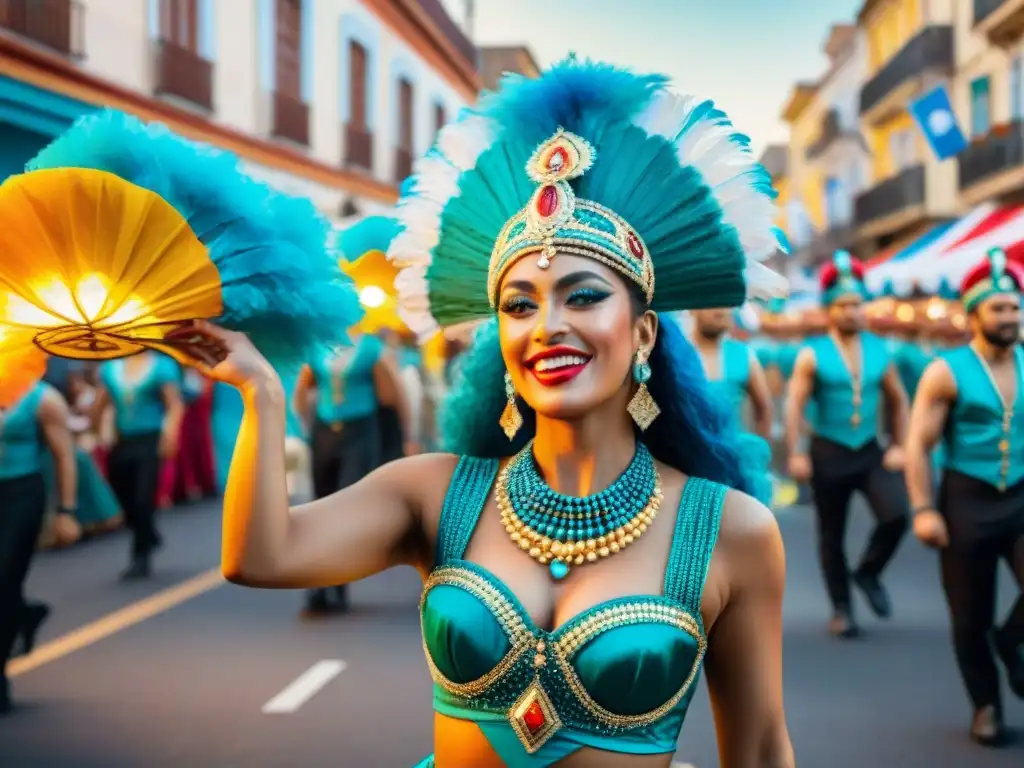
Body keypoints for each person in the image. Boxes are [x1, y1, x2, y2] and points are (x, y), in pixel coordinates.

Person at [175, 59, 794, 768]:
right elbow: (260, 556)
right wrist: (262, 393)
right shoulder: (436, 496)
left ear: (645, 332)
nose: (547, 326)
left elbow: (762, 746)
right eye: (519, 305)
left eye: (584, 296)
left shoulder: (730, 532)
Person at [905, 247, 1024, 746]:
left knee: (997, 621)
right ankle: (986, 707)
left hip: (1020, 496)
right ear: (973, 314)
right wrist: (924, 508)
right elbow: (918, 443)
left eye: (1015, 306)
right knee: (969, 615)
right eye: (998, 308)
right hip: (966, 502)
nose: (1010, 317)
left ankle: (1011, 638)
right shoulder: (945, 371)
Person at [785, 250, 910, 639]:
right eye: (844, 305)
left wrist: (899, 444)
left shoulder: (880, 350)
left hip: (870, 449)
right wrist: (797, 452)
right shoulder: (813, 353)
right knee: (832, 533)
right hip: (828, 451)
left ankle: (868, 572)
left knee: (896, 515)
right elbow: (794, 404)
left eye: (857, 304)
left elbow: (898, 399)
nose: (853, 311)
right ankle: (842, 608)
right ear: (829, 310)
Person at [292, 330, 413, 614]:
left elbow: (392, 395)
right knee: (321, 506)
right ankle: (322, 582)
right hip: (324, 433)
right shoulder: (318, 346)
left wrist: (406, 436)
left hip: (360, 433)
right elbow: (302, 389)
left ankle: (334, 584)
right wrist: (305, 425)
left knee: (345, 506)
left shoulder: (370, 348)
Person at [0, 382, 77, 714]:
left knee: (4, 577)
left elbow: (64, 455)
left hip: (22, 495)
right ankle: (25, 613)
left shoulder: (43, 398)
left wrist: (67, 512)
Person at [93, 352, 184, 580]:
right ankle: (149, 533)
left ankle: (140, 555)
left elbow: (174, 405)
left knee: (143, 497)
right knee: (122, 496)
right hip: (123, 440)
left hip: (150, 440)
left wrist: (170, 434)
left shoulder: (161, 366)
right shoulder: (111, 367)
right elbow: (101, 402)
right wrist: (96, 429)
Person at [689, 307, 774, 505]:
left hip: (736, 470)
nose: (720, 311)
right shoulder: (675, 355)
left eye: (726, 304)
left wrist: (758, 455)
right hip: (687, 469)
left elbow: (764, 408)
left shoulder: (743, 354)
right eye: (712, 304)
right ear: (694, 309)